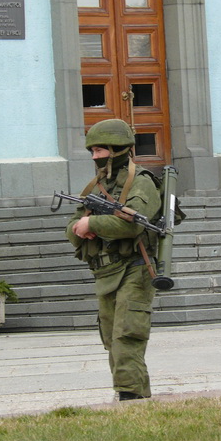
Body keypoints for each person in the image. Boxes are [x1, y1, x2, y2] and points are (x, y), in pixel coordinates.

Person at [65, 119, 161, 401]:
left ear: (118, 149)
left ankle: (132, 397)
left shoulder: (141, 182)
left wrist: (92, 224)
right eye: (92, 151)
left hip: (136, 267)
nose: (95, 157)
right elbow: (73, 222)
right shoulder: (98, 186)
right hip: (106, 271)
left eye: (100, 151)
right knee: (110, 337)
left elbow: (133, 224)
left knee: (126, 335)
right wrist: (80, 228)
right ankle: (129, 393)